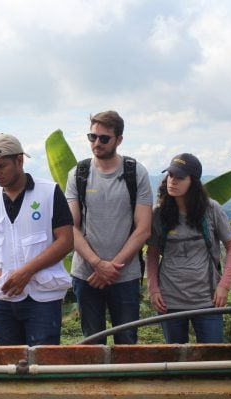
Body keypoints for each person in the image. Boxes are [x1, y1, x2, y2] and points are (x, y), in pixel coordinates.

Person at [0, 133, 73, 346]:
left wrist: (27, 271)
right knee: (8, 362)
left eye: (1, 166)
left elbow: (65, 240)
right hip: (2, 297)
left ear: (19, 160)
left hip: (42, 297)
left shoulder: (49, 192)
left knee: (43, 362)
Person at [64, 110, 153, 344]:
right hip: (87, 275)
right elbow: (70, 226)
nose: (97, 143)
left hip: (124, 276)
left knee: (127, 343)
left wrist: (112, 268)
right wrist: (98, 264)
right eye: (92, 137)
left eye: (104, 138)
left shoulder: (135, 172)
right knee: (92, 344)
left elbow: (143, 228)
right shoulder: (78, 174)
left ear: (119, 139)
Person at [145, 153, 231, 343]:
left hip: (207, 300)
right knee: (175, 360)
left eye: (180, 177)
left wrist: (224, 286)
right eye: (170, 176)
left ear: (193, 182)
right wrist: (154, 289)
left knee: (211, 357)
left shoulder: (210, 209)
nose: (173, 181)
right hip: (169, 300)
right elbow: (153, 253)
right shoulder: (159, 214)